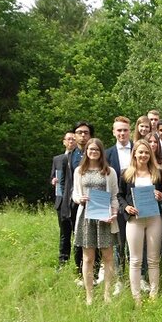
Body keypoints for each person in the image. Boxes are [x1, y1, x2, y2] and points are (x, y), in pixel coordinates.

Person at [72, 138, 119, 305]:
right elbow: (75, 194)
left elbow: (114, 196)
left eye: (97, 150)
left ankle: (107, 294)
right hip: (86, 218)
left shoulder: (109, 172)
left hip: (105, 218)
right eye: (90, 149)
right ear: (86, 151)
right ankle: (89, 296)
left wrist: (114, 213)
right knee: (88, 258)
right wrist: (79, 199)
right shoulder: (79, 171)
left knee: (107, 257)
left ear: (101, 152)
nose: (93, 152)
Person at [118, 140, 162, 306]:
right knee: (135, 260)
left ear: (150, 155)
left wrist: (160, 196)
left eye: (146, 152)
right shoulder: (126, 174)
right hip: (134, 220)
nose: (143, 155)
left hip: (154, 219)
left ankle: (154, 294)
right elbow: (120, 196)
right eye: (140, 152)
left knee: (153, 259)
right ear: (134, 154)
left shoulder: (157, 173)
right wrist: (127, 207)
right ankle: (136, 297)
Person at [106, 116, 133, 295]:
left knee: (137, 245)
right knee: (118, 244)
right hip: (115, 204)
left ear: (129, 131)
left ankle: (139, 278)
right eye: (119, 130)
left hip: (135, 205)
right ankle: (120, 280)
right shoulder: (107, 154)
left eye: (125, 130)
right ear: (114, 132)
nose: (122, 133)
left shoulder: (138, 149)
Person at [65, 121, 94, 284]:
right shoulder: (68, 157)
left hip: (96, 204)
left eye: (86, 132)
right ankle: (79, 272)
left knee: (95, 239)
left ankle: (95, 272)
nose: (83, 135)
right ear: (74, 135)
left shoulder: (96, 153)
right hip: (77, 205)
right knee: (79, 238)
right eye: (79, 132)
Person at [51, 131, 76, 271]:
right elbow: (52, 177)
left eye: (73, 139)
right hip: (61, 201)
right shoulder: (58, 159)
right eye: (69, 139)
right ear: (64, 142)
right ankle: (63, 261)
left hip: (76, 201)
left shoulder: (81, 158)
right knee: (64, 233)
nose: (71, 141)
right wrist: (53, 180)